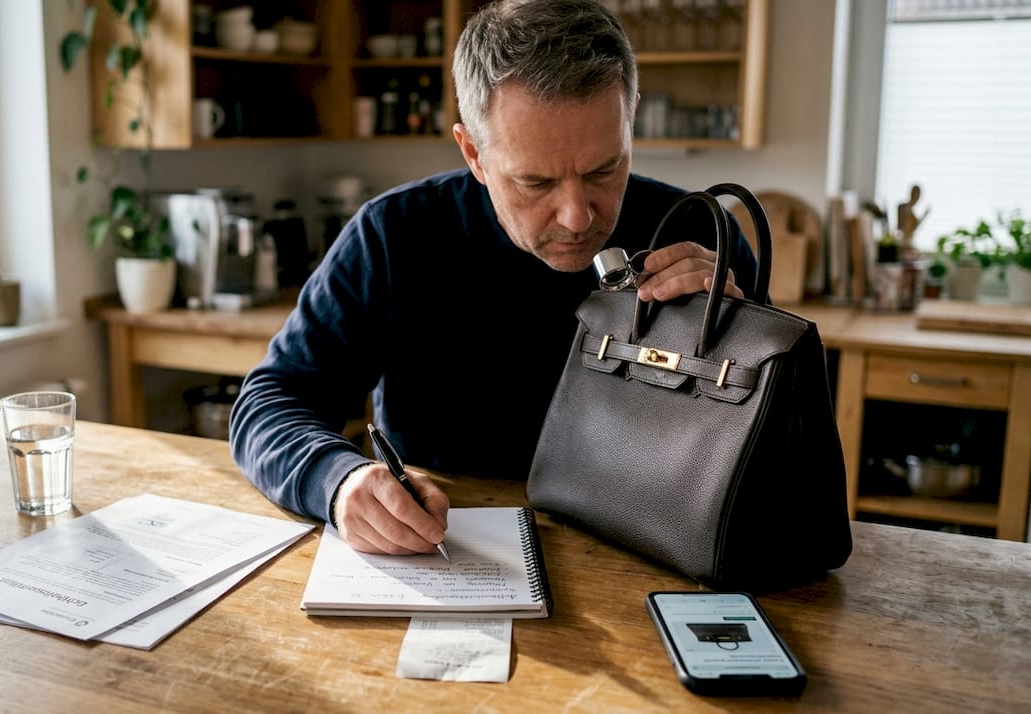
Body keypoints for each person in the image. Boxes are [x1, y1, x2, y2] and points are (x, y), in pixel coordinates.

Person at [230, 0, 758, 557]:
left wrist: (745, 342)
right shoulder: (395, 235)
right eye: (535, 182)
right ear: (473, 153)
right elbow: (270, 402)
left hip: (661, 552)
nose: (578, 217)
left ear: (630, 119)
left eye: (604, 169)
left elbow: (774, 466)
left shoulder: (705, 238)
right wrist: (336, 482)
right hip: (449, 550)